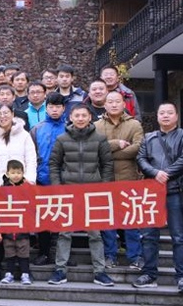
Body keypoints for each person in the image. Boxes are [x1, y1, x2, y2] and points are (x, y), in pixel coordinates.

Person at [48, 103, 114, 287]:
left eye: (84, 115)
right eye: (76, 115)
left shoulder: (100, 139)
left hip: (92, 193)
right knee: (64, 233)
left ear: (89, 117)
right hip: (68, 192)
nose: (80, 119)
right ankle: (60, 270)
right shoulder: (62, 139)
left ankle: (100, 271)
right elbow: (54, 164)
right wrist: (57, 188)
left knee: (95, 234)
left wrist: (104, 188)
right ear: (71, 117)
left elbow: (107, 165)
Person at [134, 102, 183, 293]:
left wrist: (166, 173)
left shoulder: (182, 135)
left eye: (170, 112)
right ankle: (149, 274)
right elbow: (141, 158)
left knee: (178, 236)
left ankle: (181, 276)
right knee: (148, 235)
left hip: (175, 190)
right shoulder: (149, 137)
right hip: (152, 192)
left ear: (176, 116)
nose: (166, 116)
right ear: (157, 116)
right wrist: (155, 173)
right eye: (162, 113)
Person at [0, 103, 36, 281]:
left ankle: (24, 269)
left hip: (21, 188)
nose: (3, 116)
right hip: (0, 189)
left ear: (13, 114)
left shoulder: (24, 135)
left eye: (6, 113)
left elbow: (31, 159)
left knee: (20, 230)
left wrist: (28, 182)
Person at [95, 91, 144, 270]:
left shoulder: (134, 124)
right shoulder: (96, 126)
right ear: (105, 105)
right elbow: (94, 149)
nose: (114, 104)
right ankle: (110, 256)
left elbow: (138, 148)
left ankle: (135, 257)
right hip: (104, 179)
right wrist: (117, 144)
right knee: (107, 221)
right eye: (110, 102)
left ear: (124, 104)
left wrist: (107, 152)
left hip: (128, 179)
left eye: (117, 101)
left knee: (131, 220)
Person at [29, 92, 67, 265]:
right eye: (51, 107)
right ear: (46, 108)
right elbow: (31, 155)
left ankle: (60, 255)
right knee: (43, 218)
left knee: (62, 220)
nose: (54, 110)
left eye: (58, 107)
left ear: (63, 108)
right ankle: (44, 252)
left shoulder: (69, 128)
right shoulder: (37, 129)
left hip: (64, 180)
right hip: (42, 179)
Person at [0, 160, 32, 285]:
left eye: (18, 172)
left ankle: (25, 274)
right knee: (9, 252)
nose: (16, 175)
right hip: (8, 227)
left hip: (23, 227)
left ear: (23, 173)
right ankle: (9, 274)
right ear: (7, 174)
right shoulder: (3, 189)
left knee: (24, 252)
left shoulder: (27, 188)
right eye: (13, 173)